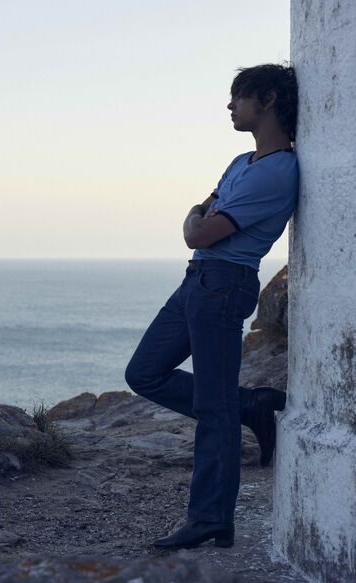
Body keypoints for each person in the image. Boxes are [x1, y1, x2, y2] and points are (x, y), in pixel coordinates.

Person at [124, 64, 298, 549]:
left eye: (237, 98)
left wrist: (195, 215)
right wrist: (200, 215)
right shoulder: (241, 162)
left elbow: (198, 227)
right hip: (197, 280)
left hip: (224, 284)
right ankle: (255, 404)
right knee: (143, 373)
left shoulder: (280, 170)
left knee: (214, 408)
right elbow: (205, 216)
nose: (229, 106)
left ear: (265, 100)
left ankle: (211, 519)